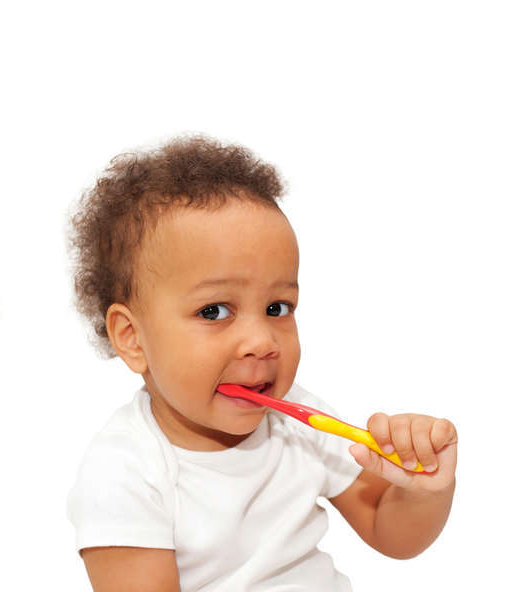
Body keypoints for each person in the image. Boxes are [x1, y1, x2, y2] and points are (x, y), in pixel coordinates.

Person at [66, 137, 458, 591]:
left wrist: (423, 487)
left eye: (277, 308)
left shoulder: (297, 419)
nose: (261, 341)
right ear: (132, 339)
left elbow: (391, 532)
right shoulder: (124, 473)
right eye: (214, 311)